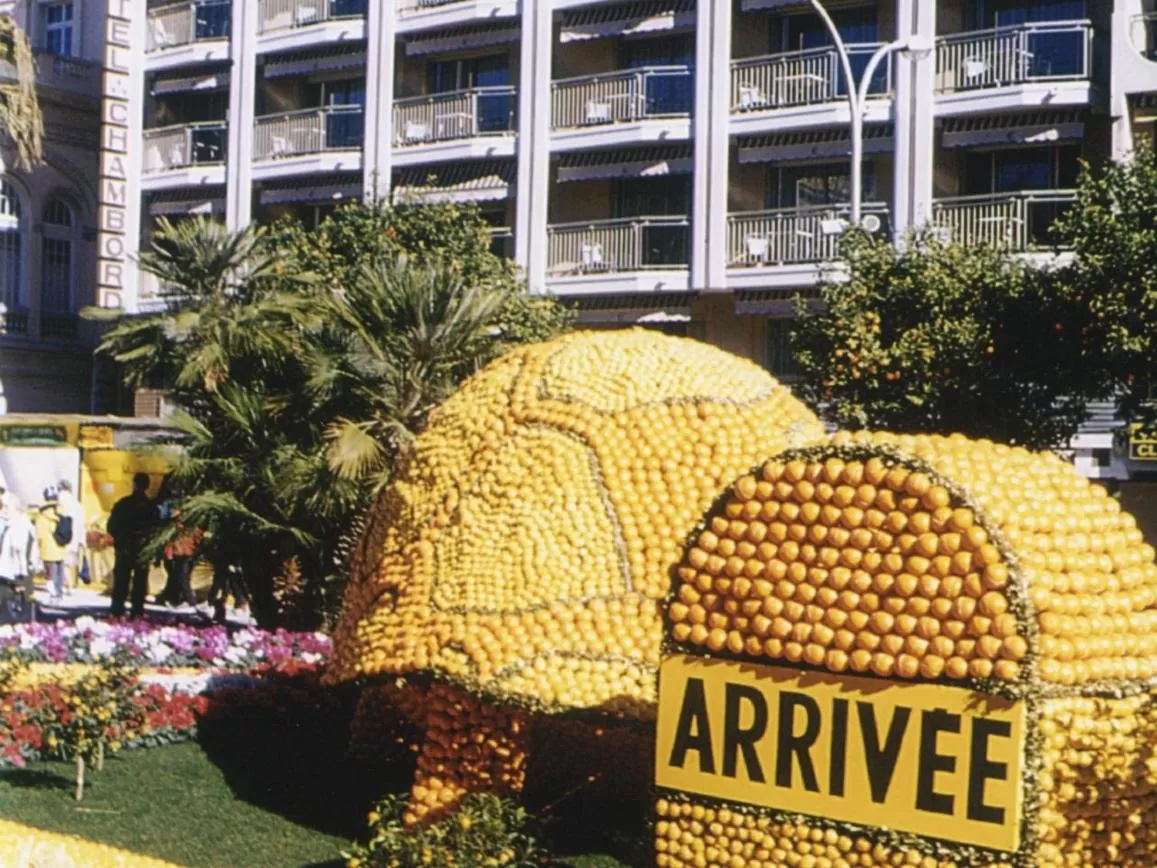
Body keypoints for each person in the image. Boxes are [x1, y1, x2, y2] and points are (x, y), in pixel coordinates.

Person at [107, 472, 159, 618]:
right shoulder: (151, 507)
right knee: (140, 580)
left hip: (124, 547)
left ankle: (117, 608)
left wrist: (121, 538)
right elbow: (156, 529)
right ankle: (137, 609)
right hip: (142, 549)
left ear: (134, 484)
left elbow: (111, 526)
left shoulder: (123, 504)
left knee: (121, 579)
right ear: (147, 486)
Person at [0, 498, 41, 623]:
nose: (4, 511)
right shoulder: (20, 523)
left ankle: (14, 622)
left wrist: (20, 578)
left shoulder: (18, 524)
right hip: (16, 570)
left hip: (15, 572)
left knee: (14, 599)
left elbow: (19, 550)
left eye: (6, 508)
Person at [160, 509, 202, 611]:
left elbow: (198, 540)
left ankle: (169, 598)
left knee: (181, 577)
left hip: (186, 555)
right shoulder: (175, 528)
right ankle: (189, 601)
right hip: (179, 554)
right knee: (180, 577)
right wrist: (169, 554)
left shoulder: (191, 528)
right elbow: (170, 542)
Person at [34, 486, 68, 602]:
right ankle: (59, 593)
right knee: (59, 572)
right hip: (61, 546)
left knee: (51, 574)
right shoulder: (61, 510)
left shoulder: (42, 514)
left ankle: (54, 595)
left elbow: (40, 533)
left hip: (48, 548)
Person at [56, 479, 85, 596]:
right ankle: (69, 584)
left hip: (63, 535)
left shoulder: (60, 500)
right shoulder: (77, 503)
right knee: (68, 562)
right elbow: (82, 523)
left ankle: (66, 584)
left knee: (62, 562)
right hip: (74, 537)